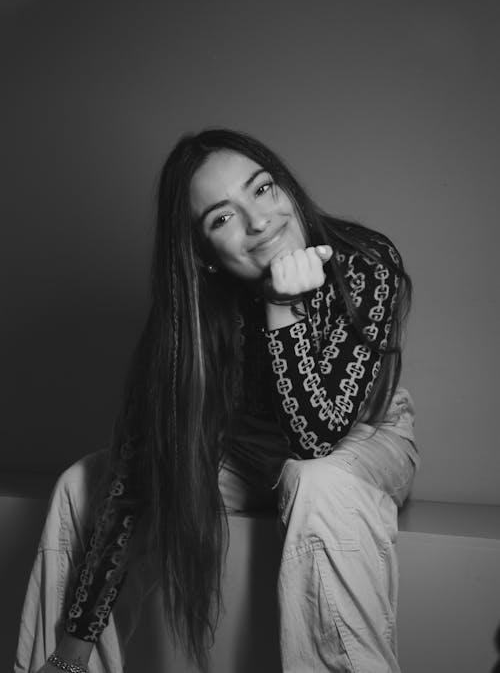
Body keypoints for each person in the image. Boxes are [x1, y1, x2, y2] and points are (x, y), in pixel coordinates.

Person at [16, 128, 420, 673]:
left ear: (287, 189)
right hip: (244, 450)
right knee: (80, 484)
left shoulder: (366, 261)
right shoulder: (192, 311)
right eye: (222, 218)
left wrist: (284, 308)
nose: (259, 221)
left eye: (262, 189)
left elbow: (318, 439)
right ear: (204, 253)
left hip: (363, 439)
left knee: (315, 479)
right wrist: (74, 645)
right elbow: (141, 465)